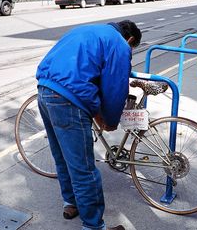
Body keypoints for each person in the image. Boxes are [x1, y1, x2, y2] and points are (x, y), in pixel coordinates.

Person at [36, 20, 142, 230]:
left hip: (44, 90)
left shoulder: (89, 30)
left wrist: (95, 112)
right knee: (84, 168)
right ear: (130, 40)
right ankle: (93, 226)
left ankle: (71, 203)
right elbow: (114, 89)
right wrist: (110, 121)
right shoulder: (120, 44)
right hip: (68, 100)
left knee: (63, 157)